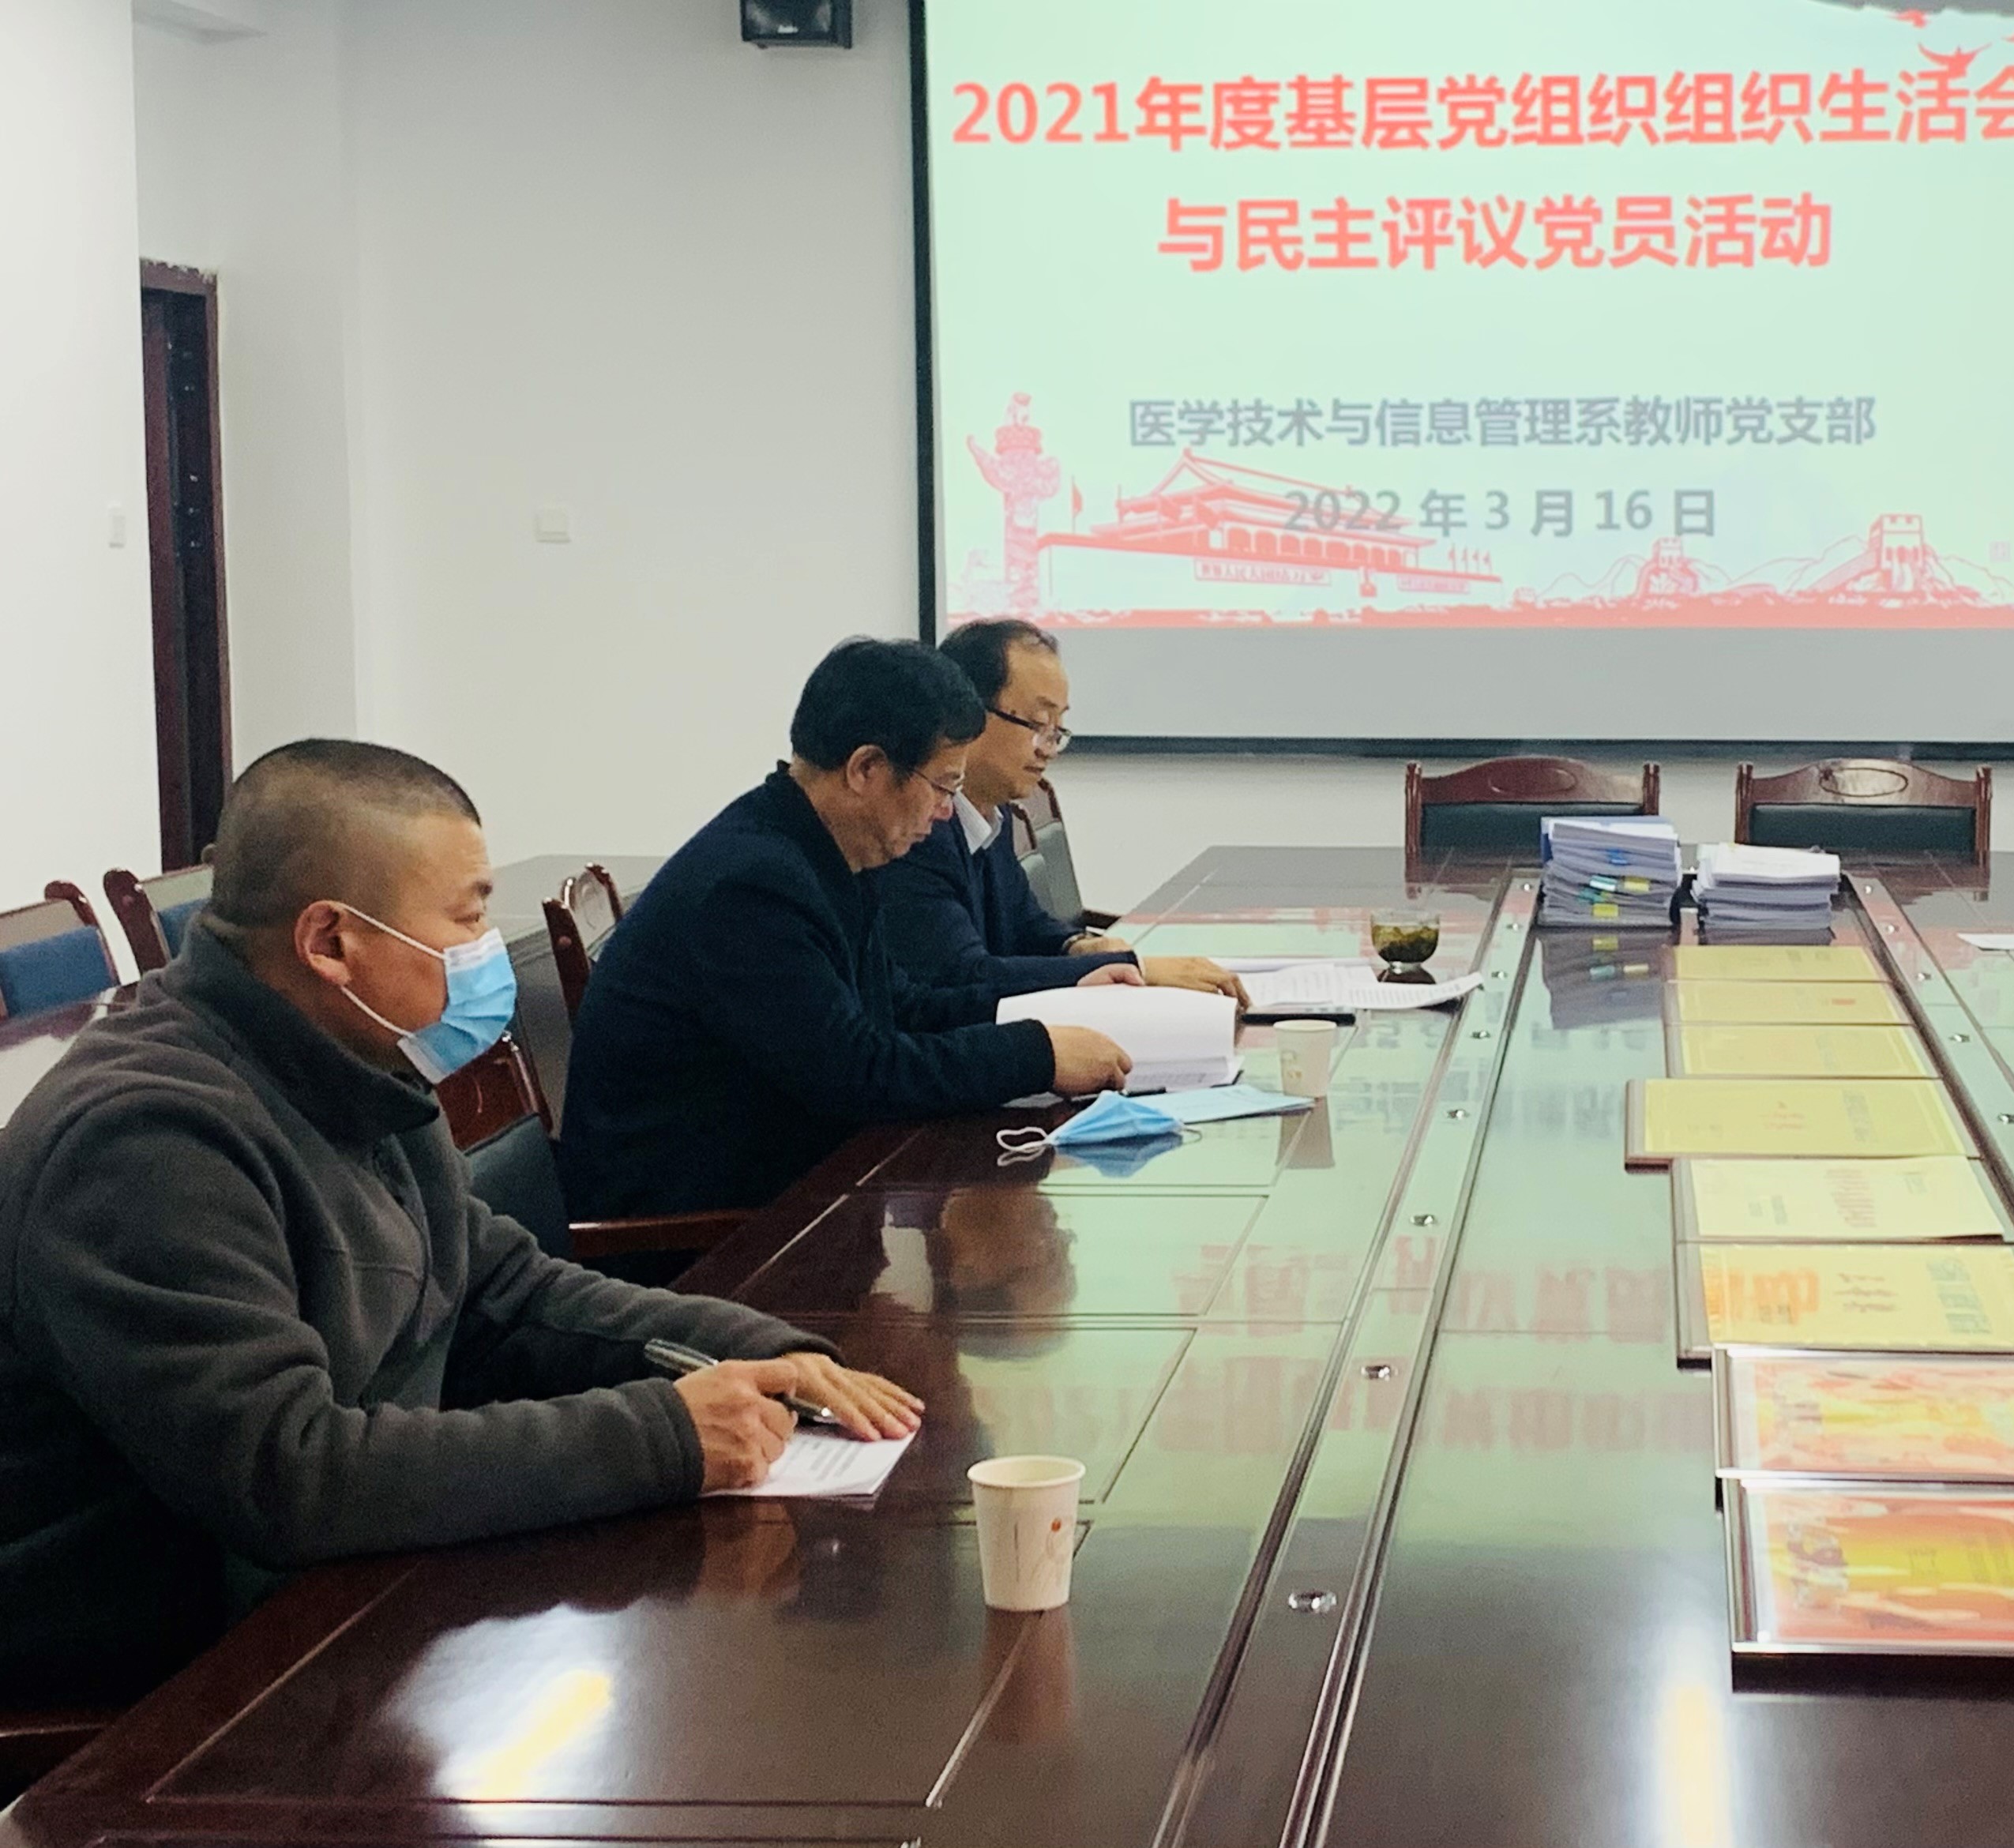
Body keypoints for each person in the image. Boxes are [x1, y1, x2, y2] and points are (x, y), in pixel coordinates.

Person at [0, 741, 922, 1705]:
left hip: (331, 1604)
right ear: (331, 942)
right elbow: (290, 1472)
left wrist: (761, 1351)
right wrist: (664, 1435)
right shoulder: (146, 1139)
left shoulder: (351, 1061)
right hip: (157, 1686)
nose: (485, 950)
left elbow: (501, 1289)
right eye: (468, 917)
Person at [562, 639, 1133, 1220]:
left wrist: (1059, 1001)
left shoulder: (819, 851)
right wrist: (1035, 1053)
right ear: (866, 769)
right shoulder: (752, 884)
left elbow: (903, 1006)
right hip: (694, 1234)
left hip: (787, 1192)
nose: (945, 813)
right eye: (943, 787)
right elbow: (859, 1074)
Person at [883, 619, 1244, 1006]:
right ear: (968, 714)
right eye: (1038, 723)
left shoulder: (992, 812)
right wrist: (1130, 967)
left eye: (1058, 729)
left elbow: (1025, 925)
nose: (1049, 748)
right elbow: (963, 975)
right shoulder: (918, 830)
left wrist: (1077, 946)